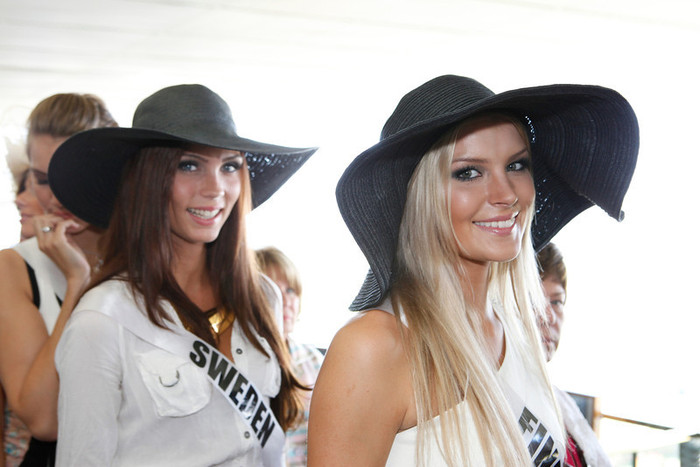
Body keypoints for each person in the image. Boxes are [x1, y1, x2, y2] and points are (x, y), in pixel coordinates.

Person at [308, 75, 639, 466]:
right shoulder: (374, 347)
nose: (507, 194)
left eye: (516, 165)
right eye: (468, 172)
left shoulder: (515, 330)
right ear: (419, 194)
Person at [49, 84, 317, 466]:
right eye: (189, 165)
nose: (216, 189)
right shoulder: (102, 320)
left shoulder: (262, 296)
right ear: (148, 179)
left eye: (229, 166)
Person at [0, 93, 118, 467]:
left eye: (74, 175)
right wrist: (77, 283)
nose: (57, 194)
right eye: (41, 178)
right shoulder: (14, 267)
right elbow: (45, 419)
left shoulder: (147, 260)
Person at [537, 243, 613, 467]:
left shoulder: (562, 403)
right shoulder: (488, 402)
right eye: (533, 300)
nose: (549, 317)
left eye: (556, 302)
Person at [255, 247, 324, 466]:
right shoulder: (239, 364)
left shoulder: (314, 361)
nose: (285, 300)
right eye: (274, 290)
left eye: (291, 290)